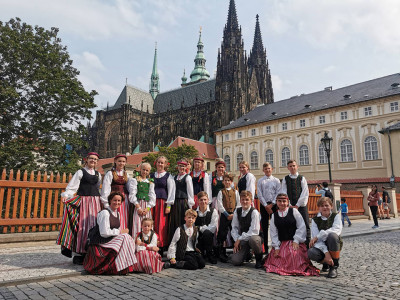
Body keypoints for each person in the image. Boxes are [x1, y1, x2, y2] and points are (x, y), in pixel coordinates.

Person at [57, 152, 102, 264]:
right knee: (83, 226)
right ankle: (81, 252)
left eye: (95, 159)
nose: (93, 161)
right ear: (86, 160)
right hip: (84, 202)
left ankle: (92, 251)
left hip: (96, 202)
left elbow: (97, 187)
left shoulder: (98, 174)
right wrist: (66, 196)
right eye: (91, 158)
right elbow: (72, 188)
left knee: (95, 226)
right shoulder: (80, 172)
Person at [265, 193, 319, 276]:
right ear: (276, 202)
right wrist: (276, 247)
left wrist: (296, 240)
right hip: (281, 242)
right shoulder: (274, 216)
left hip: (295, 241)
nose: (282, 203)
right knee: (279, 255)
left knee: (293, 254)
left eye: (284, 201)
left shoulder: (294, 211)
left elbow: (301, 226)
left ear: (287, 202)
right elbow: (273, 232)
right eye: (279, 201)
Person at [83, 192, 137, 275]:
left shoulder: (118, 214)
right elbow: (104, 233)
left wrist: (121, 232)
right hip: (100, 242)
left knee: (128, 238)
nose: (117, 202)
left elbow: (116, 232)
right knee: (125, 237)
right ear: (110, 201)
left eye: (119, 201)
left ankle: (125, 265)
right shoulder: (105, 213)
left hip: (109, 240)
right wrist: (120, 232)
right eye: (114, 200)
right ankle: (122, 266)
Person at [308, 197, 343, 278]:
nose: (324, 207)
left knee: (332, 236)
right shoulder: (315, 220)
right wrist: (326, 253)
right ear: (319, 208)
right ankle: (326, 262)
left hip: (334, 243)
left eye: (327, 205)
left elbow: (336, 230)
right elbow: (317, 241)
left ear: (331, 206)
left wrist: (319, 236)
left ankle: (333, 266)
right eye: (322, 206)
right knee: (311, 252)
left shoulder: (336, 216)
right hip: (322, 247)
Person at [100, 154, 135, 230]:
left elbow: (130, 188)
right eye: (119, 161)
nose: (121, 163)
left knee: (124, 216)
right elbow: (105, 189)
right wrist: (106, 203)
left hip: (124, 200)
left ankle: (123, 233)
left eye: (123, 161)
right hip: (114, 200)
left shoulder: (126, 174)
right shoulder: (110, 174)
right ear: (115, 161)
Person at [281, 159, 311, 245]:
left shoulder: (302, 178)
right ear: (288, 168)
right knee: (292, 225)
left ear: (297, 167)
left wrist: (297, 205)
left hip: (301, 206)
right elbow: (284, 192)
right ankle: (292, 246)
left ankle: (307, 245)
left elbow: (305, 192)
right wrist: (289, 204)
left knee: (306, 225)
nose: (292, 167)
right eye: (290, 166)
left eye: (294, 166)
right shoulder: (285, 179)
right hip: (290, 207)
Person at [231, 191, 263, 269]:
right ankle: (247, 254)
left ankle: (259, 259)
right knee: (236, 261)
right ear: (240, 200)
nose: (245, 202)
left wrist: (240, 239)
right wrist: (237, 239)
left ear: (251, 201)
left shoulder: (254, 212)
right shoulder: (237, 211)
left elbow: (254, 231)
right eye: (243, 199)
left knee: (253, 240)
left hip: (255, 237)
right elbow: (234, 227)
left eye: (247, 199)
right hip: (243, 238)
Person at [150, 156, 176, 252]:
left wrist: (169, 205)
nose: (160, 164)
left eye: (162, 163)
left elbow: (171, 191)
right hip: (152, 202)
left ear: (165, 165)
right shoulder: (151, 175)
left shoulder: (168, 176)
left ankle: (161, 245)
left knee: (161, 224)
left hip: (162, 202)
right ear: (155, 163)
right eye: (159, 162)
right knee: (151, 222)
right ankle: (152, 243)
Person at [168, 159, 195, 244]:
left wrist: (190, 205)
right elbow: (172, 191)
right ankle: (175, 242)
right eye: (180, 166)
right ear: (178, 167)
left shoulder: (188, 177)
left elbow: (190, 192)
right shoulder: (174, 177)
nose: (181, 168)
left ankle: (184, 241)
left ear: (186, 167)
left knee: (183, 221)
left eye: (183, 166)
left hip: (184, 202)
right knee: (175, 222)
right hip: (176, 202)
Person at [257, 162, 281, 254]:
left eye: (269, 168)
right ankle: (265, 248)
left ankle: (276, 247)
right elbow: (259, 194)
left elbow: (278, 192)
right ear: (263, 170)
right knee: (264, 226)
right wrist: (266, 205)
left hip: (274, 205)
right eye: (266, 169)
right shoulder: (260, 181)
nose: (267, 170)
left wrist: (272, 204)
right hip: (264, 205)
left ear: (272, 169)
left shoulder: (276, 180)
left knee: (275, 225)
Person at [216, 173, 240, 263]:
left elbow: (238, 204)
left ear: (231, 182)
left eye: (228, 181)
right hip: (224, 215)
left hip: (234, 215)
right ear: (223, 182)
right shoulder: (221, 192)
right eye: (225, 180)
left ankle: (236, 251)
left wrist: (234, 214)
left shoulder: (235, 192)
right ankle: (221, 253)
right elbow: (219, 204)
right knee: (222, 233)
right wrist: (226, 214)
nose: (227, 182)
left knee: (234, 232)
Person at [131, 163, 156, 239]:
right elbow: (132, 195)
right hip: (138, 205)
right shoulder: (135, 180)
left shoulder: (150, 182)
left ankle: (148, 243)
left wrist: (147, 208)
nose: (145, 172)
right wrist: (138, 207)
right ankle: (137, 244)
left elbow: (152, 196)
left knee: (147, 224)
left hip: (146, 206)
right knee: (137, 224)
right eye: (143, 169)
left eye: (147, 170)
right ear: (140, 169)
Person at [195, 191, 219, 264]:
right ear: (198, 201)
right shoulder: (194, 212)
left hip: (209, 236)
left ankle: (209, 253)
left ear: (208, 200)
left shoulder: (213, 211)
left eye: (205, 199)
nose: (203, 202)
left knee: (207, 233)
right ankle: (201, 253)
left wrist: (200, 228)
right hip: (197, 237)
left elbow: (213, 227)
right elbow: (192, 227)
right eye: (201, 200)